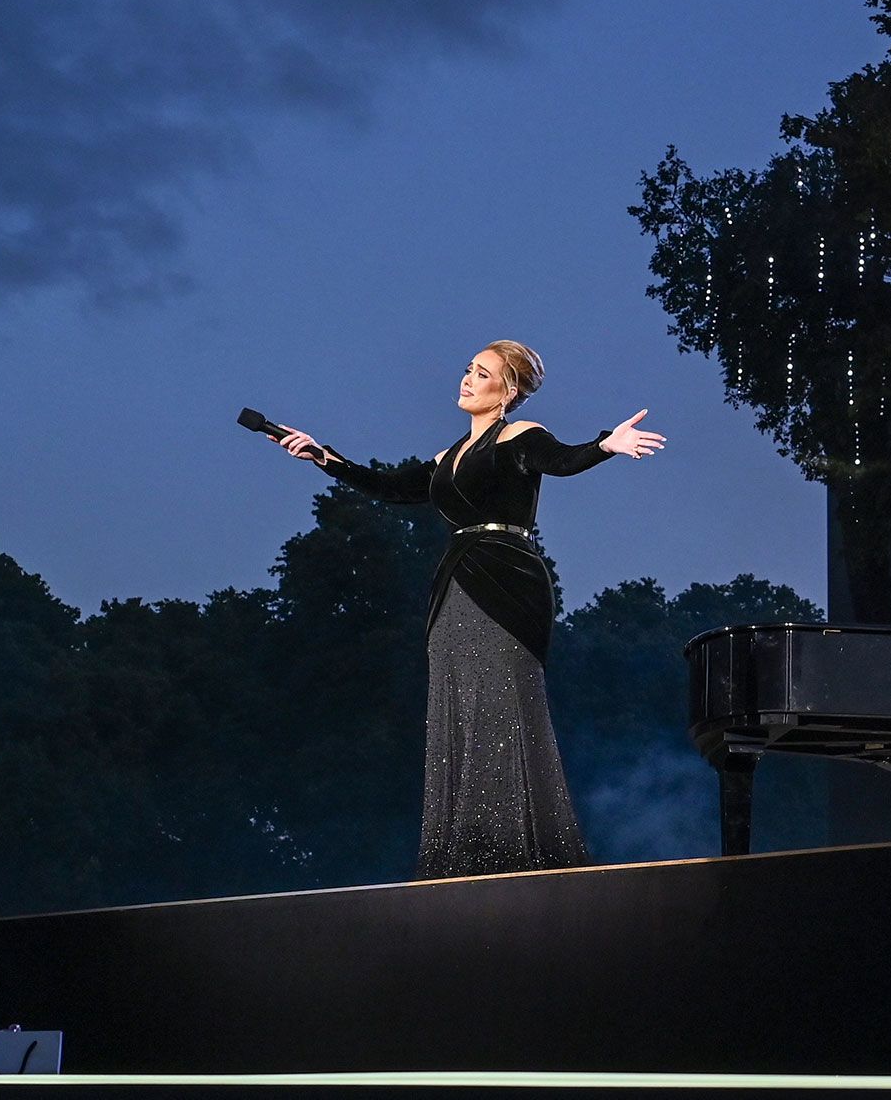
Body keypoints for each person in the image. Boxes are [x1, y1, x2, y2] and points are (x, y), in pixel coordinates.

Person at [271, 340, 665, 878]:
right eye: (468, 369)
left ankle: (511, 853)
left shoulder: (521, 436)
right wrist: (324, 458)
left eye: (482, 374)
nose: (467, 379)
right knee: (458, 705)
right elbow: (388, 486)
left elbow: (563, 460)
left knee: (501, 706)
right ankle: (461, 857)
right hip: (454, 586)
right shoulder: (449, 456)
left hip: (506, 579)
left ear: (509, 391)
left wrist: (606, 445)